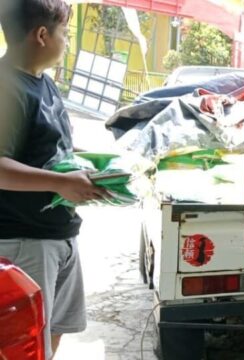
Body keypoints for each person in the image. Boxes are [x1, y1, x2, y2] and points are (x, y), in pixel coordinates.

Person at [0, 1, 108, 359]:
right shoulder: (7, 89)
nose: (67, 42)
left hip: (57, 235)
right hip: (23, 241)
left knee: (53, 334)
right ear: (42, 35)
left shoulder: (42, 83)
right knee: (24, 347)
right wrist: (60, 183)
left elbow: (47, 151)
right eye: (65, 33)